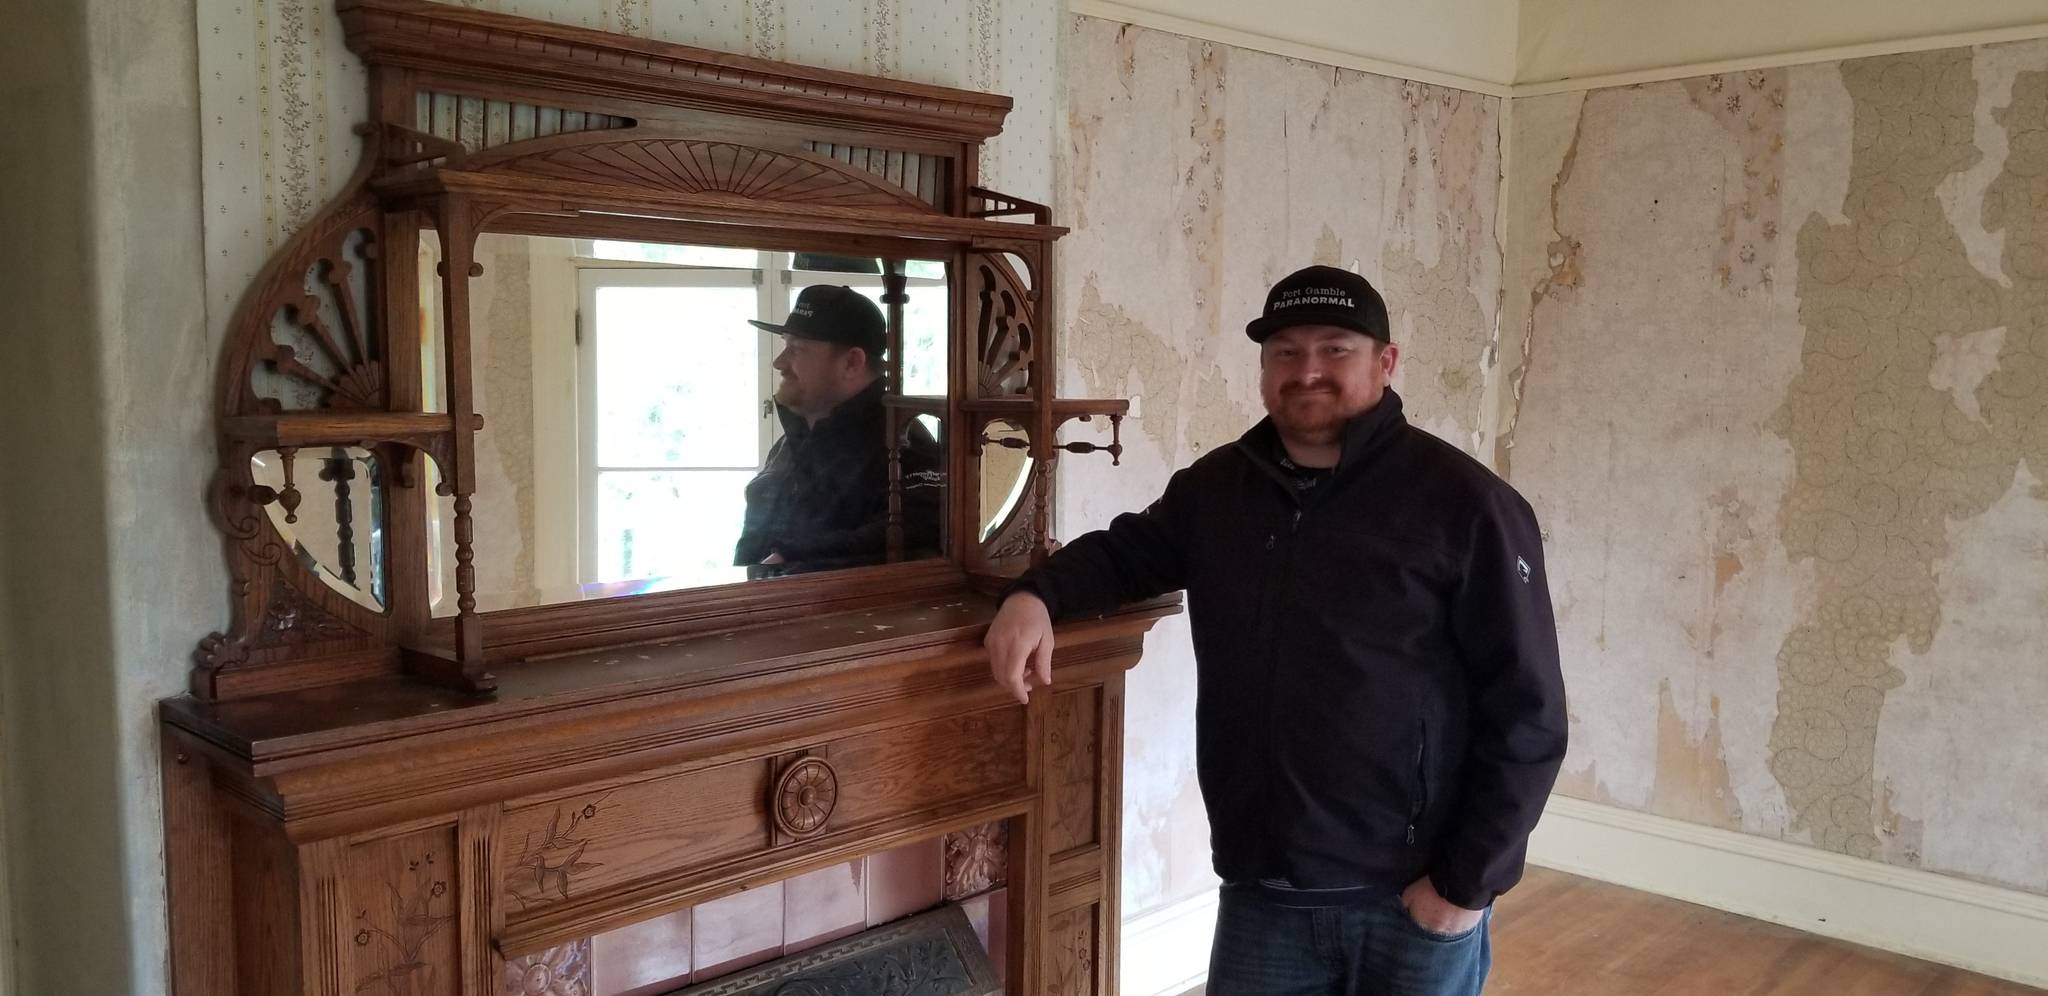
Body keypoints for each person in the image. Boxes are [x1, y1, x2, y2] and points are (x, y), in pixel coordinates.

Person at [983, 265, 1567, 995]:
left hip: (1410, 897)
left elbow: (1530, 714)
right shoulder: (1218, 490)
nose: (1308, 370)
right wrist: (1034, 595)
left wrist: (1465, 886)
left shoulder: (1467, 504)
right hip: (1264, 894)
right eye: (1285, 351)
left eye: (1335, 349)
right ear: (1263, 367)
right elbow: (1127, 553)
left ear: (1385, 362)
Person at [735, 284, 942, 578]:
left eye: (796, 349)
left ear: (852, 362)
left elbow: (919, 530)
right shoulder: (794, 439)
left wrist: (793, 557)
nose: (779, 362)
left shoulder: (902, 439)